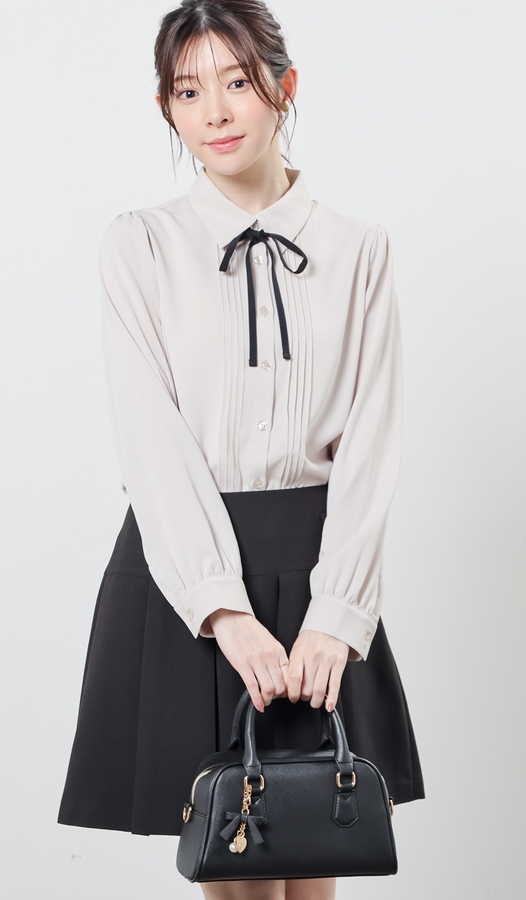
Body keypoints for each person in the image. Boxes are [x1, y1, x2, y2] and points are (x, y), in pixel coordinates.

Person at [58, 2, 424, 898]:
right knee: (237, 863)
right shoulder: (141, 246)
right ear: (167, 108)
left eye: (237, 82)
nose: (215, 112)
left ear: (284, 87)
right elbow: (150, 443)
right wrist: (223, 612)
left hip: (317, 567)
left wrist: (338, 612)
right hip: (188, 570)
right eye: (189, 92)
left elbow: (372, 442)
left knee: (320, 842)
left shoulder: (358, 249)